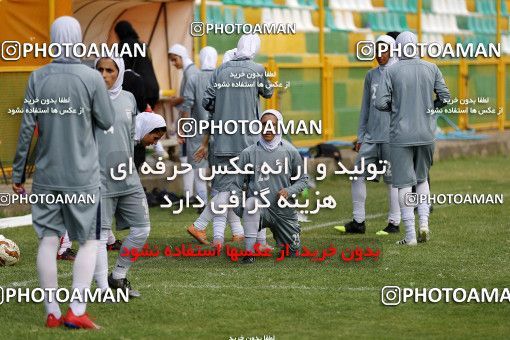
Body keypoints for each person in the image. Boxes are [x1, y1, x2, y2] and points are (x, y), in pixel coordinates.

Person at [12, 16, 114, 329]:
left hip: (46, 174)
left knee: (48, 240)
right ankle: (77, 310)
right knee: (88, 241)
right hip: (83, 175)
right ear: (79, 37)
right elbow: (107, 120)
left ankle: (52, 312)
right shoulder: (90, 76)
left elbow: (27, 127)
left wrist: (18, 174)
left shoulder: (37, 76)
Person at [188, 34, 274, 245]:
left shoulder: (220, 71)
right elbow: (268, 92)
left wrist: (224, 107)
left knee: (226, 189)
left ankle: (202, 226)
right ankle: (259, 242)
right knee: (258, 188)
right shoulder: (258, 70)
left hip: (223, 141)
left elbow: (207, 101)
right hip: (248, 141)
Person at [375, 31, 450, 245]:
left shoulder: (392, 71)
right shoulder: (431, 67)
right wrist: (430, 107)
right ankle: (424, 224)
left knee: (403, 184)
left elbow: (380, 103)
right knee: (422, 179)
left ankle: (410, 236)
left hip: (400, 134)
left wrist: (396, 108)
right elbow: (445, 98)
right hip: (426, 133)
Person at [93, 56, 153, 298]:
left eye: (110, 70)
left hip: (128, 177)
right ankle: (104, 289)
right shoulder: (88, 98)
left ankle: (118, 277)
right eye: (99, 69)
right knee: (98, 237)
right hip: (98, 180)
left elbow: (131, 136)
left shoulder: (129, 98)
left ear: (119, 72)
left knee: (142, 229)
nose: (104, 74)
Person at [338, 35, 401, 235]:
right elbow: (365, 107)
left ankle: (394, 223)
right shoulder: (370, 75)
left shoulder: (400, 74)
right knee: (356, 175)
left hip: (393, 137)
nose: (378, 54)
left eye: (383, 50)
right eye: (376, 50)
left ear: (392, 50)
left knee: (392, 180)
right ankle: (358, 222)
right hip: (371, 138)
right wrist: (361, 135)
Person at [233, 109, 309, 264]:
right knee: (251, 204)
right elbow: (236, 184)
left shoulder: (290, 151)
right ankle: (249, 253)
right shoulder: (248, 153)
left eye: (272, 125)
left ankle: (286, 239)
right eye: (264, 124)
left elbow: (303, 179)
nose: (268, 128)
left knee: (292, 252)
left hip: (283, 211)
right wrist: (239, 207)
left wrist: (289, 191)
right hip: (259, 208)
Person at [168, 44, 200, 207]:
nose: (174, 63)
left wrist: (182, 128)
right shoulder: (190, 71)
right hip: (192, 123)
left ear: (181, 56)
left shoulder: (191, 73)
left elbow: (189, 101)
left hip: (191, 124)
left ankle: (191, 195)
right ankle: (190, 194)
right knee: (188, 158)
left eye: (174, 60)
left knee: (188, 159)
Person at [114, 20, 159, 108]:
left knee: (138, 119)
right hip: (153, 88)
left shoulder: (124, 46)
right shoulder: (142, 45)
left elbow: (121, 67)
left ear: (119, 33)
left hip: (140, 90)